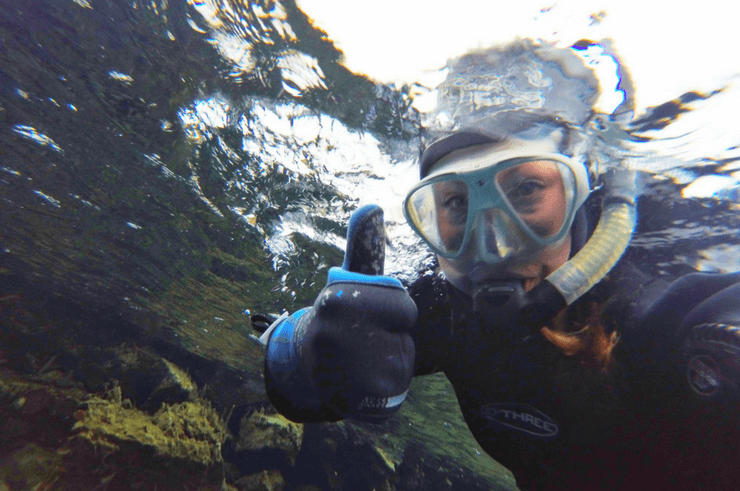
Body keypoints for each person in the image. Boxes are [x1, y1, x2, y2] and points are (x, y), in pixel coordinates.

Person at [257, 39, 740, 490]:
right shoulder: (437, 311)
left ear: (580, 198)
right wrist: (305, 348)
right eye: (456, 205)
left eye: (526, 190)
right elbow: (298, 386)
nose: (493, 245)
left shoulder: (654, 313)